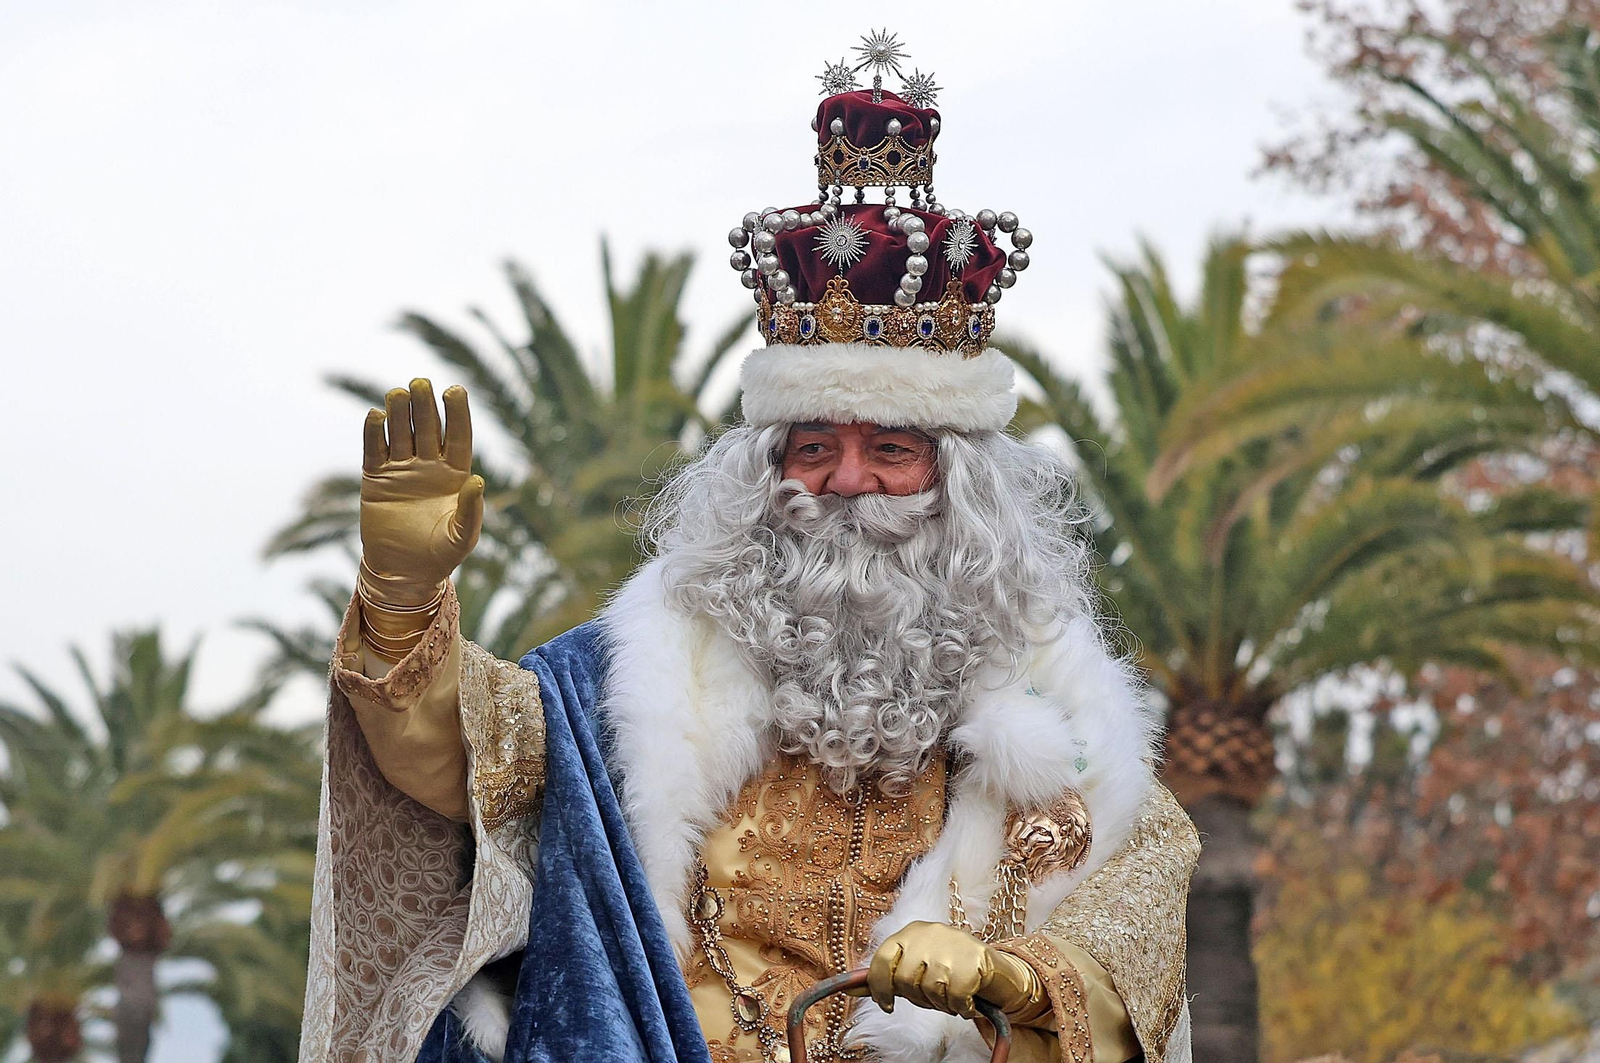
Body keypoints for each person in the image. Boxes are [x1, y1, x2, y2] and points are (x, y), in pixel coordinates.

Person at [298, 39, 1199, 1063]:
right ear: (762, 474)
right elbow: (456, 768)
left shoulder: (1074, 732)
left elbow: (1132, 945)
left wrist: (1007, 978)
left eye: (890, 450)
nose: (847, 482)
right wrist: (404, 604)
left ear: (963, 490)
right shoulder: (619, 694)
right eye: (814, 447)